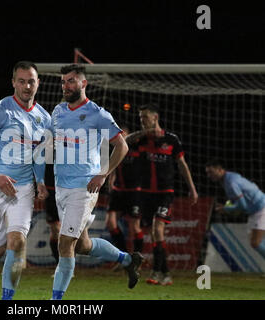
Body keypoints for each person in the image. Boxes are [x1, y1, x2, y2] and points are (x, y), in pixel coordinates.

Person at [50, 64, 143, 300]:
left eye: (71, 81)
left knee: (65, 243)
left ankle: (56, 301)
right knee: (82, 245)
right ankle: (128, 259)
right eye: (63, 81)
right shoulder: (58, 111)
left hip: (84, 188)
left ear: (84, 84)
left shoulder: (97, 114)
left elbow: (122, 146)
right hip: (61, 186)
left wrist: (104, 173)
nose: (66, 86)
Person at [0, 61, 51, 300]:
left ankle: (7, 299)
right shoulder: (1, 110)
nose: (26, 86)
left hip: (23, 188)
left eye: (31, 81)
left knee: (17, 242)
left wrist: (40, 180)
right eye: (22, 81)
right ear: (13, 82)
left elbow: (39, 154)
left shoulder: (43, 118)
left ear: (38, 83)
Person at [125, 103, 198, 286]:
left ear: (155, 117)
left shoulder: (171, 140)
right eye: (140, 118)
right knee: (155, 234)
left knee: (158, 229)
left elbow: (182, 165)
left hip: (166, 192)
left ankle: (157, 272)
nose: (142, 120)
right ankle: (165, 273)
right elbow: (125, 142)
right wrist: (142, 132)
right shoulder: (141, 139)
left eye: (146, 117)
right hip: (146, 193)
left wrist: (192, 188)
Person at [205, 159, 265, 259]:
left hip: (261, 208)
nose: (209, 175)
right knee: (256, 241)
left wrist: (226, 209)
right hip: (255, 210)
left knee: (255, 242)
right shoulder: (229, 177)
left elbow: (242, 206)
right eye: (207, 173)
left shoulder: (231, 182)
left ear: (219, 169)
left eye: (211, 172)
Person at [106, 126, 142, 261]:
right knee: (110, 223)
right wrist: (111, 182)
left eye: (123, 133)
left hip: (134, 192)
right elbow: (113, 167)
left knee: (135, 227)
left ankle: (137, 260)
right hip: (118, 191)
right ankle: (125, 257)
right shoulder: (116, 149)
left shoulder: (138, 148)